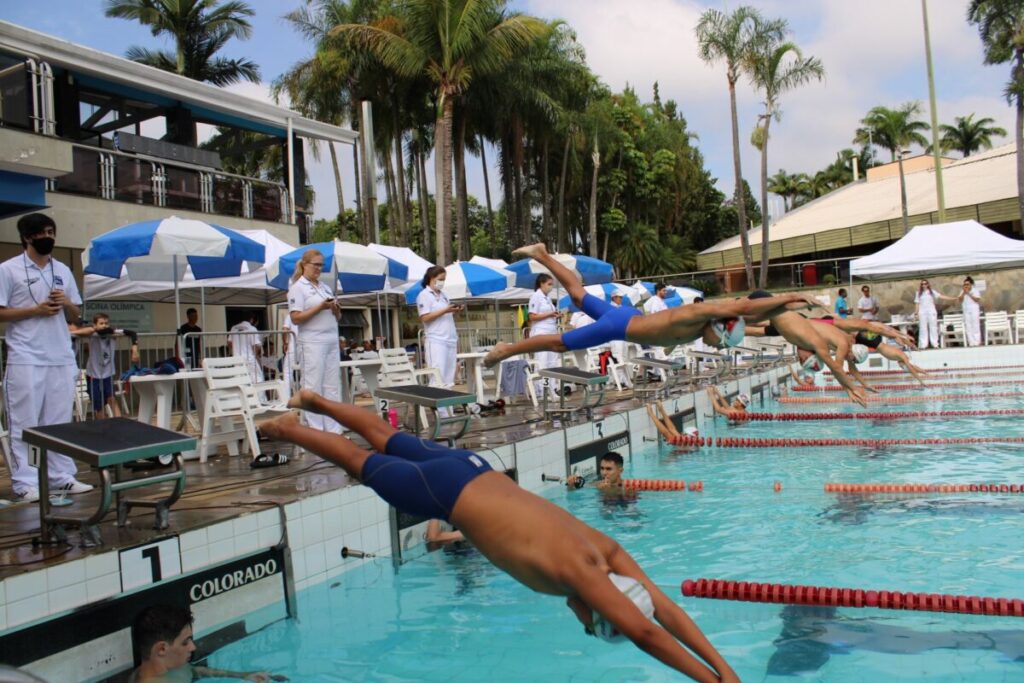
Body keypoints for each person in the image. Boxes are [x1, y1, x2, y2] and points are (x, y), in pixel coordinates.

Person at [258, 394, 739, 682]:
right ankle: (289, 428)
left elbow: (665, 610)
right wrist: (706, 680)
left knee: (385, 437)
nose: (582, 625)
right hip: (447, 492)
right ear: (603, 608)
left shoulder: (603, 550)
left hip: (475, 469)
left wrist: (726, 673)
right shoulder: (581, 575)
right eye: (593, 626)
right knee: (359, 463)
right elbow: (645, 631)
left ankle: (316, 401)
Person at [484, 244, 819, 369]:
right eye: (723, 341)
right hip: (622, 325)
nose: (718, 346)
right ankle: (507, 349)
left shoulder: (701, 329)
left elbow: (758, 317)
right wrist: (791, 295)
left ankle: (543, 255)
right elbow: (746, 305)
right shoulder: (696, 314)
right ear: (718, 329)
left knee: (577, 294)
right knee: (558, 343)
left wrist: (789, 306)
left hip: (629, 317)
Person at [0, 213, 93, 502]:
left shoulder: (62, 270)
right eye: (42, 233)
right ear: (28, 237)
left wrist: (66, 302)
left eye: (52, 231)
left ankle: (61, 476)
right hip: (26, 356)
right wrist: (35, 310)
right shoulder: (8, 270)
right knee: (25, 421)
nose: (49, 237)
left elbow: (78, 312)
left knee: (59, 421)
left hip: (60, 356)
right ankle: (25, 482)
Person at [130, 604, 286, 682]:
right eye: (185, 642)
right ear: (162, 649)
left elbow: (194, 671)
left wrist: (244, 675)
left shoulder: (173, 667)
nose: (193, 647)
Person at [288, 249, 342, 433]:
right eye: (316, 265)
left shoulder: (324, 287)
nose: (319, 269)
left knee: (332, 386)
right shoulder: (298, 288)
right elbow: (296, 318)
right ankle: (316, 429)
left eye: (321, 265)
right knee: (313, 386)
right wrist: (320, 307)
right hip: (312, 341)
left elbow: (338, 316)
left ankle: (334, 429)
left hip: (331, 339)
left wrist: (334, 308)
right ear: (305, 265)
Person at [72, 313, 140, 419]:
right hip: (93, 375)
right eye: (101, 323)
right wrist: (92, 329)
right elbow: (88, 331)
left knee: (111, 399)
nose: (104, 325)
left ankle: (119, 423)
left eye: (106, 323)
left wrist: (134, 349)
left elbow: (132, 333)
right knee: (99, 406)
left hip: (107, 374)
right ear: (95, 325)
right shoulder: (92, 333)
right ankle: (103, 427)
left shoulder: (111, 333)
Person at [416, 265, 462, 391]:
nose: (443, 282)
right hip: (436, 340)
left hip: (450, 339)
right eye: (441, 279)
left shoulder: (444, 295)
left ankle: (448, 410)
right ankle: (440, 410)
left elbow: (446, 315)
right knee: (437, 376)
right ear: (432, 278)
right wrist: (445, 310)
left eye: (444, 279)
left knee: (449, 378)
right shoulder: (424, 295)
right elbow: (425, 318)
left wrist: (454, 311)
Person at [527, 273, 560, 400]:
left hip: (551, 332)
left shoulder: (547, 299)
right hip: (541, 333)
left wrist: (554, 315)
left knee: (552, 363)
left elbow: (548, 314)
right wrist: (549, 314)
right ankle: (542, 390)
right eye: (549, 284)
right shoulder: (536, 297)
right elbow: (532, 316)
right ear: (541, 283)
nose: (551, 287)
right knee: (543, 363)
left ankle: (552, 390)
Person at [914, 279, 956, 349]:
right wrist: (916, 313)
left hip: (931, 311)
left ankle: (935, 344)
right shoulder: (918, 293)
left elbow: (941, 296)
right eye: (922, 284)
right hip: (922, 312)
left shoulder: (932, 292)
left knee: (933, 327)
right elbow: (917, 303)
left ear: (927, 284)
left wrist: (953, 298)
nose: (924, 285)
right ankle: (923, 345)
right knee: (923, 328)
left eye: (925, 284)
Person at [227, 313, 264, 386]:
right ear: (252, 319)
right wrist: (255, 355)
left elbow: (229, 343)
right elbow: (256, 345)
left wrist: (236, 349)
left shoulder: (233, 328)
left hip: (237, 360)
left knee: (241, 382)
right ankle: (258, 397)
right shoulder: (252, 329)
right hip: (249, 359)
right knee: (257, 380)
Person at [958, 277, 982, 347]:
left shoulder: (975, 290)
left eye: (967, 284)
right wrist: (963, 293)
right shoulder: (962, 291)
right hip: (966, 310)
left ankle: (977, 342)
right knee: (968, 326)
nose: (966, 286)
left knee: (975, 325)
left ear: (971, 284)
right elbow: (960, 300)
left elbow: (977, 300)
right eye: (964, 284)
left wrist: (968, 293)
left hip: (974, 310)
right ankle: (971, 342)